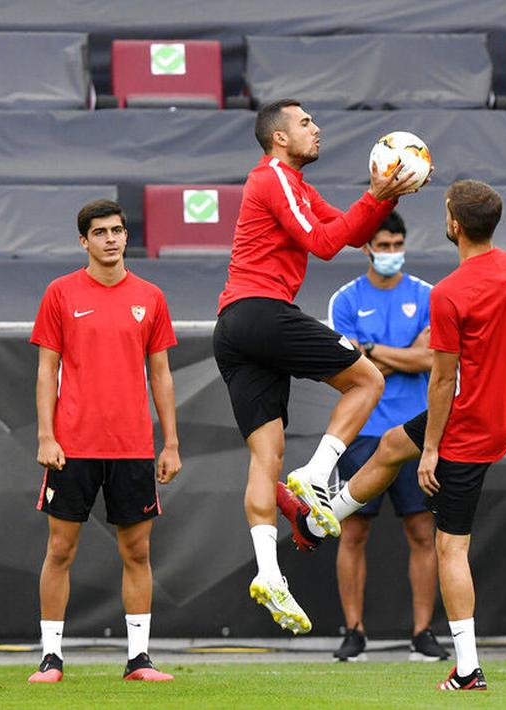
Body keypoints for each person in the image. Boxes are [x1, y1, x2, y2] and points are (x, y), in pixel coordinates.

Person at [213, 98, 425, 634]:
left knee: (265, 457)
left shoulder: (298, 188)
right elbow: (326, 245)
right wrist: (375, 194)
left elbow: (350, 232)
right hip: (260, 310)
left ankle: (269, 574)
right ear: (279, 138)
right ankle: (314, 475)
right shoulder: (272, 178)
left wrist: (381, 200)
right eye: (305, 122)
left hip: (236, 328)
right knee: (368, 379)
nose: (316, 128)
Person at [319, 180, 506, 690]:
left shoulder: (449, 292)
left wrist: (434, 449)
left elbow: (439, 379)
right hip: (495, 416)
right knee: (394, 443)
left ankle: (467, 670)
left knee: (449, 548)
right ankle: (323, 516)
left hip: (465, 427)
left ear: (454, 225)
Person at [28, 200, 180, 683]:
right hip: (72, 446)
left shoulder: (151, 296)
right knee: (60, 551)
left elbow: (161, 374)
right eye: (100, 232)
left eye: (117, 230)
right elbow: (46, 369)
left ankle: (139, 659)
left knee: (137, 553)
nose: (111, 239)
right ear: (83, 241)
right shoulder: (60, 293)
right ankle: (51, 658)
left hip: (133, 447)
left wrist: (171, 443)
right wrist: (46, 435)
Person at [323, 211, 448, 663]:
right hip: (360, 432)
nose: (392, 253)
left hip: (416, 431)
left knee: (421, 530)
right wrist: (402, 354)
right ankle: (354, 632)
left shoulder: (428, 296)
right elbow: (345, 367)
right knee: (352, 531)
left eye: (398, 244)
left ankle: (422, 632)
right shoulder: (345, 299)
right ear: (367, 248)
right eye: (385, 245)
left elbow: (431, 360)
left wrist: (371, 352)